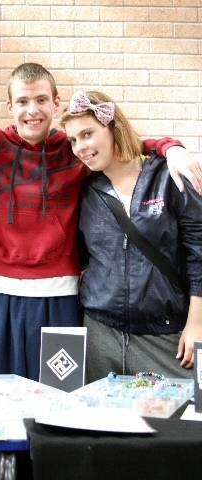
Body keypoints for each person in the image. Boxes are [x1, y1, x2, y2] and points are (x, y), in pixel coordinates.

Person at [0, 63, 198, 480]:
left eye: (41, 100)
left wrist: (171, 146)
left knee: (57, 409)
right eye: (23, 102)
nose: (32, 110)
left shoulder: (73, 147)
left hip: (60, 300)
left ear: (55, 103)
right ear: (8, 106)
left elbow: (126, 142)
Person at [60, 89, 202, 383]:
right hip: (100, 334)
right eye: (73, 140)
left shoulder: (169, 177)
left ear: (113, 128)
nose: (80, 147)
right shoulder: (87, 191)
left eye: (87, 134)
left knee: (178, 426)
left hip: (166, 338)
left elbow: (198, 253)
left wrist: (196, 324)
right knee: (100, 426)